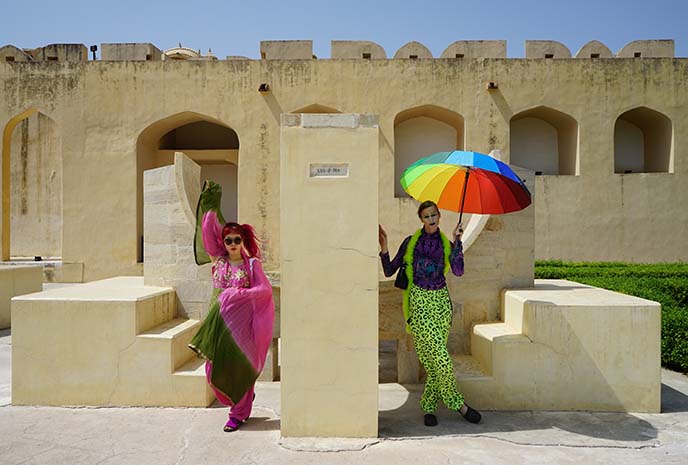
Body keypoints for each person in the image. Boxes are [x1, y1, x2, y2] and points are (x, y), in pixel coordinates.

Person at [379, 200, 481, 427]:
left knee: (434, 360)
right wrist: (384, 246)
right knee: (440, 360)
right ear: (421, 219)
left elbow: (458, 270)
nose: (431, 219)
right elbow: (389, 270)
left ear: (439, 216)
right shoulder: (411, 243)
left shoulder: (446, 244)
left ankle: (428, 408)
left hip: (441, 305)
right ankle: (459, 405)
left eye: (434, 215)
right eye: (426, 216)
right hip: (419, 304)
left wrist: (458, 241)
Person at [188, 211, 275, 433]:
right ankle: (243, 396)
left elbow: (264, 289)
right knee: (211, 370)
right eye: (229, 240)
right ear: (223, 243)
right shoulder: (218, 261)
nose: (233, 244)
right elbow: (207, 229)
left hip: (242, 328)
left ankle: (237, 414)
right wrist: (209, 207)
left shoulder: (252, 265)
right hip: (217, 324)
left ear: (242, 241)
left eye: (237, 239)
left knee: (239, 369)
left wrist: (239, 294)